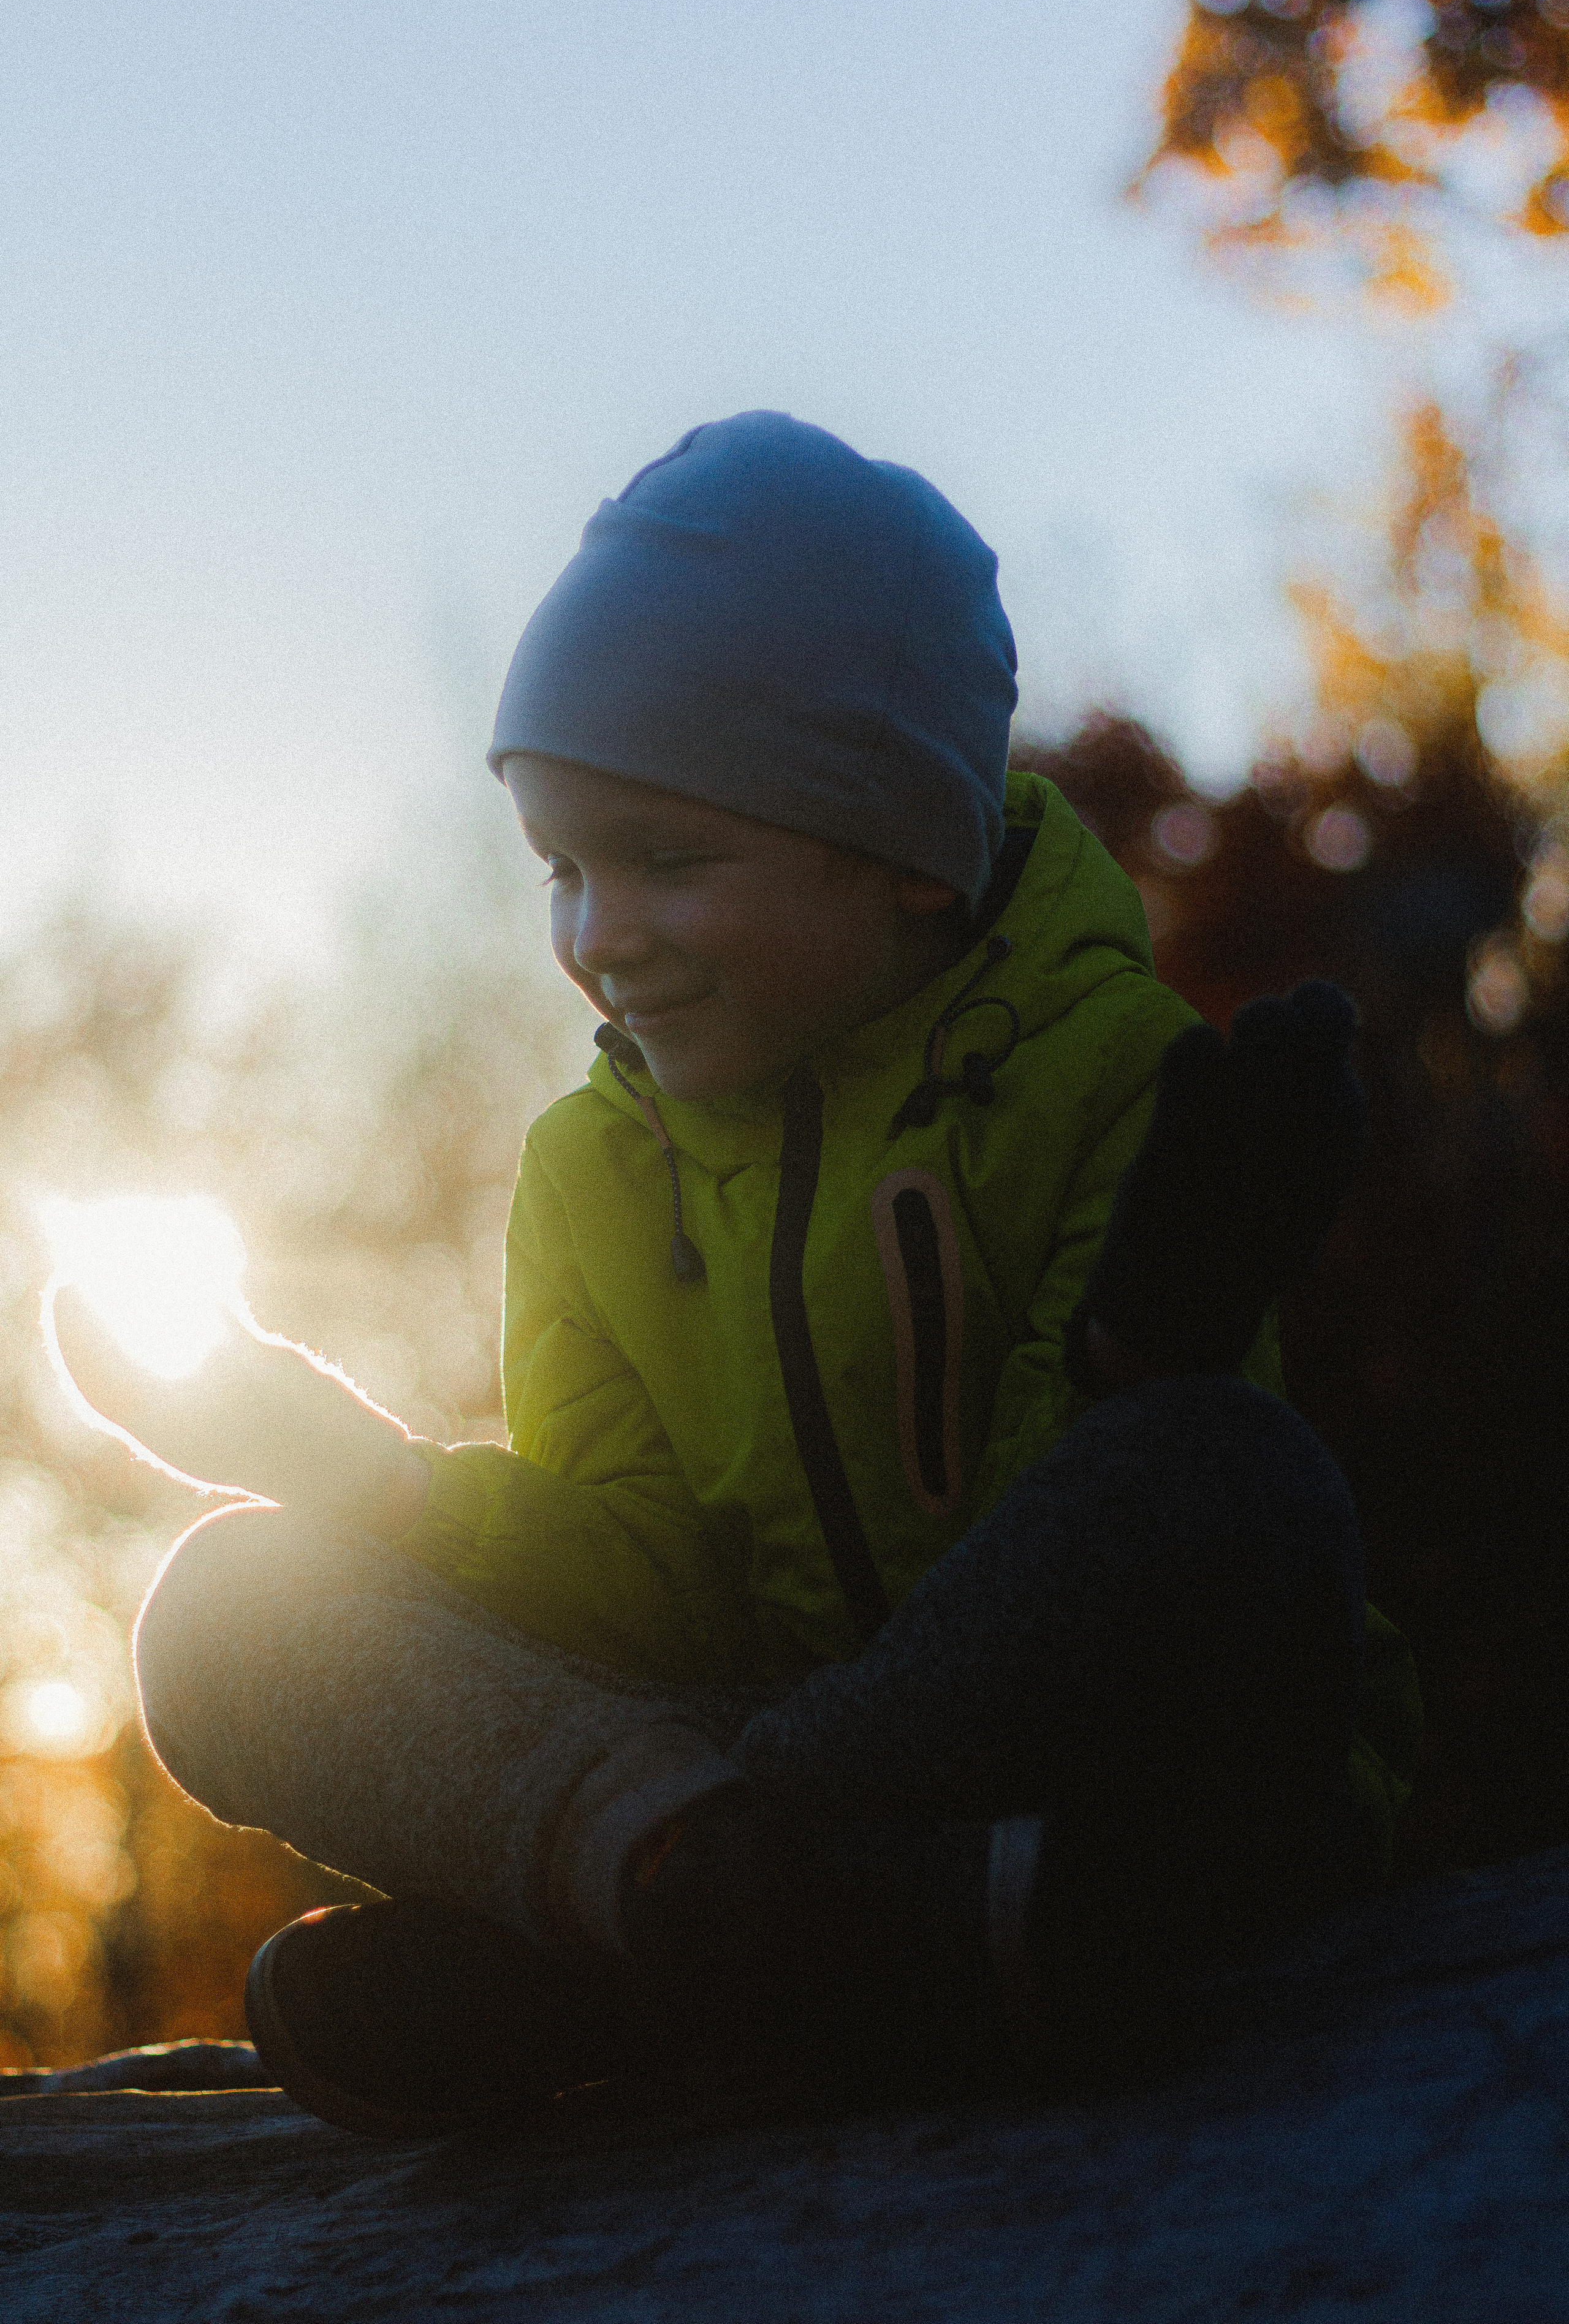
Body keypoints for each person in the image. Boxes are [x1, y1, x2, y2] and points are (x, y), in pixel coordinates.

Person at [53, 414, 1420, 2138]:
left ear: (908, 851)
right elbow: (643, 1587)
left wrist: (1145, 1347)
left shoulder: (1111, 1075)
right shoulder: (589, 1178)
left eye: (667, 861)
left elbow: (1063, 1578)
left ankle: (647, 1939)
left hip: (1085, 1774)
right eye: (563, 868)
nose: (596, 934)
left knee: (1231, 1475)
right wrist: (355, 1479)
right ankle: (790, 1919)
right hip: (778, 1768)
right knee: (227, 1611)